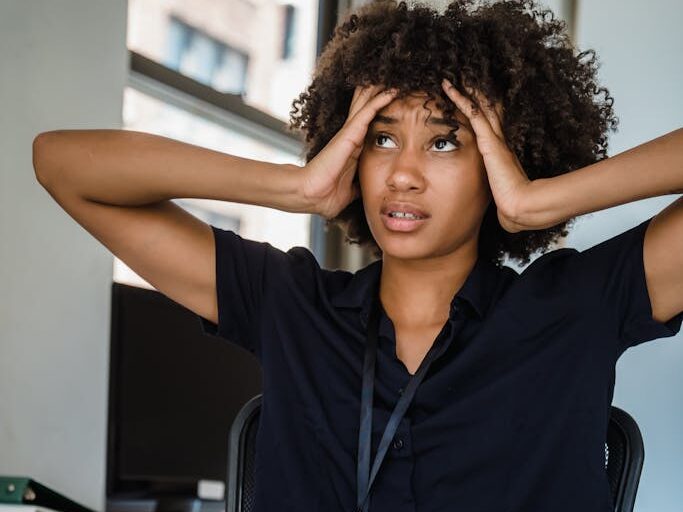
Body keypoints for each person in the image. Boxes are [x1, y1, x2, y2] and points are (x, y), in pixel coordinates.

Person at [32, 0, 683, 510]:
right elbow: (60, 163)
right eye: (380, 138)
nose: (402, 173)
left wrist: (540, 200)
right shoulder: (287, 301)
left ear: (502, 155)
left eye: (444, 143)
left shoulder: (577, 304)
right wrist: (296, 185)